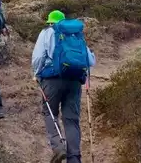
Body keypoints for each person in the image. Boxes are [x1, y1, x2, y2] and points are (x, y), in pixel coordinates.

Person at [32, 10, 96, 163]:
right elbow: (90, 60)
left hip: (52, 80)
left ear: (50, 22)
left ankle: (59, 148)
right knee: (71, 120)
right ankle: (74, 158)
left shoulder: (47, 32)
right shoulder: (76, 35)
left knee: (50, 114)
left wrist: (36, 73)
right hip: (74, 81)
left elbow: (39, 56)